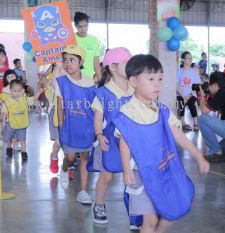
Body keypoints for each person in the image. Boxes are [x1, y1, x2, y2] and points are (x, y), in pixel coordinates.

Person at [113, 54, 209, 233]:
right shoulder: (127, 112)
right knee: (149, 220)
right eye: (151, 79)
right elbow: (125, 142)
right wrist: (126, 169)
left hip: (164, 170)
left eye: (160, 79)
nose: (157, 83)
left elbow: (178, 135)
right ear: (133, 81)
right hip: (140, 173)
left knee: (174, 211)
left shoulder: (161, 110)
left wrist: (198, 156)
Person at [89, 48, 133, 224]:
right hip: (110, 141)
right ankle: (99, 204)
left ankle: (136, 213)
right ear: (113, 67)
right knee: (107, 176)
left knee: (134, 177)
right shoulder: (104, 92)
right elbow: (98, 117)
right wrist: (99, 135)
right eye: (126, 63)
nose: (131, 66)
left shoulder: (136, 88)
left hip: (133, 141)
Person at [55, 45, 96, 204]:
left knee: (85, 157)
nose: (67, 63)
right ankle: (64, 169)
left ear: (81, 62)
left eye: (72, 60)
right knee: (70, 157)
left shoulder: (90, 81)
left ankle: (83, 191)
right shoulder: (62, 80)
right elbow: (60, 104)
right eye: (65, 60)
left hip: (86, 127)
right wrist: (61, 126)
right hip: (69, 127)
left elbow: (94, 105)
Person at [0, 80, 29, 160]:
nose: (17, 93)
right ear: (11, 91)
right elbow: (4, 111)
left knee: (22, 139)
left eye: (19, 91)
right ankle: (9, 148)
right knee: (9, 138)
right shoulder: (8, 101)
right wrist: (4, 121)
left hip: (21, 124)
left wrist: (38, 92)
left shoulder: (24, 99)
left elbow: (33, 100)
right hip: (10, 123)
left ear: (22, 90)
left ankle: (24, 152)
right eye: (14, 91)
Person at [74, 11, 102, 81]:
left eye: (85, 26)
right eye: (80, 27)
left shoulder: (94, 40)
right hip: (73, 79)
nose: (83, 29)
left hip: (89, 79)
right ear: (75, 26)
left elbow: (96, 63)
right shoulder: (71, 39)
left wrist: (101, 80)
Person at [176, 51, 201, 131]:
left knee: (192, 102)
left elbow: (197, 85)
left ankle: (195, 123)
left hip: (191, 94)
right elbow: (176, 85)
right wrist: (183, 96)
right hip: (181, 94)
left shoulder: (194, 72)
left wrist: (189, 95)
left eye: (191, 58)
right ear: (183, 60)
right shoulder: (179, 71)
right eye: (188, 58)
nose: (190, 59)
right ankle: (183, 122)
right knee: (181, 102)